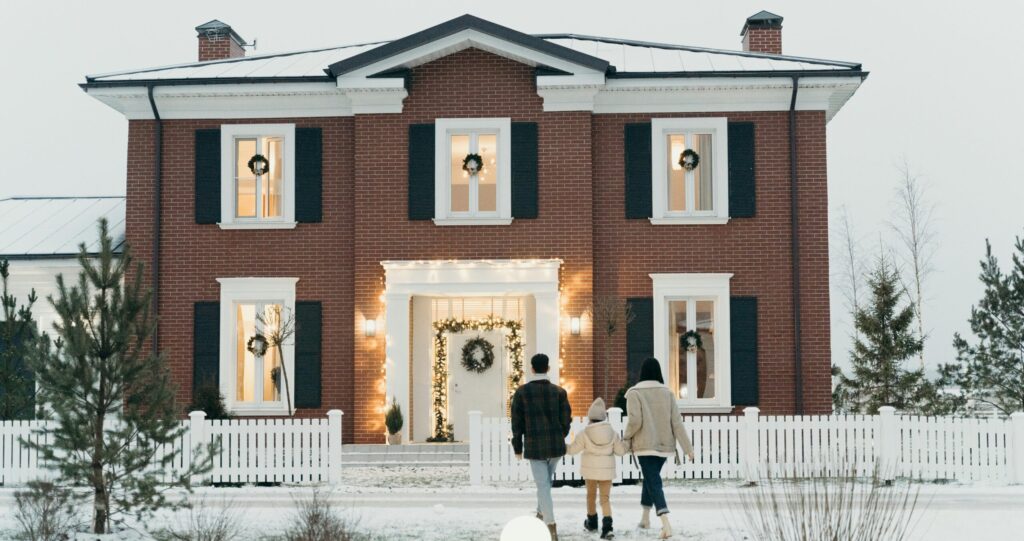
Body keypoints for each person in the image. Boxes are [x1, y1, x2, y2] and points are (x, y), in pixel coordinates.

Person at [623, 358, 695, 540]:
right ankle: (645, 519)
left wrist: (626, 436)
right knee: (650, 478)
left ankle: (665, 523)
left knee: (653, 481)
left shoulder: (634, 393)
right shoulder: (667, 393)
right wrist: (688, 449)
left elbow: (635, 421)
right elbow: (677, 423)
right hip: (664, 446)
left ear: (642, 372)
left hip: (644, 446)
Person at [511, 353, 572, 541]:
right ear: (548, 368)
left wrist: (518, 447)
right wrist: (560, 435)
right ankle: (540, 514)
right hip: (555, 445)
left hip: (535, 445)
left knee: (543, 485)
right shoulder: (559, 392)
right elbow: (566, 420)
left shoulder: (522, 392)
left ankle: (550, 525)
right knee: (546, 484)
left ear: (532, 369)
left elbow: (517, 423)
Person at [566, 397, 627, 539]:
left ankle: (592, 522)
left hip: (590, 471)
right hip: (606, 472)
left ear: (591, 417)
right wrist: (627, 443)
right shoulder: (612, 433)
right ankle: (607, 527)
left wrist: (560, 445)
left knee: (591, 496)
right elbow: (621, 451)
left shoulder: (584, 433)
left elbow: (572, 450)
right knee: (605, 498)